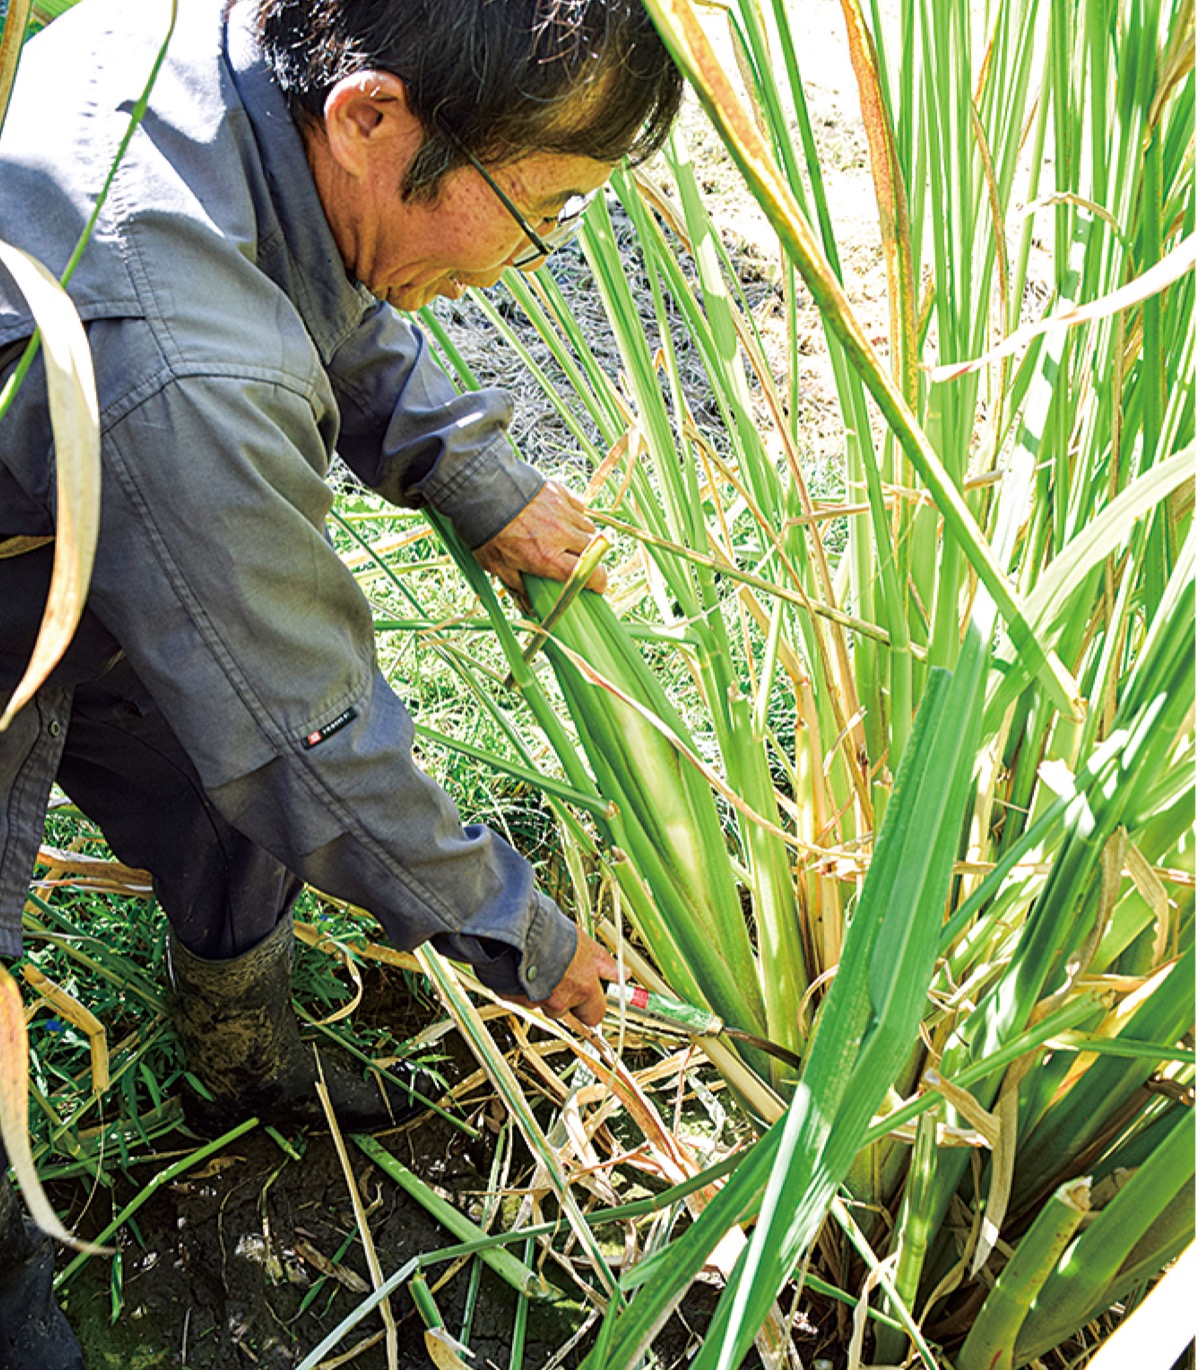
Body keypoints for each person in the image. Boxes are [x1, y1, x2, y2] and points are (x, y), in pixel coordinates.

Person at [0, 0, 682, 1361]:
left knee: (214, 794)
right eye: (542, 207)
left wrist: (462, 463)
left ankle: (241, 1050)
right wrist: (526, 937)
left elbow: (306, 263)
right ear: (374, 114)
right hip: (29, 550)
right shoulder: (184, 370)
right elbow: (308, 738)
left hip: (84, 486)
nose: (532, 259)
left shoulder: (217, 50)